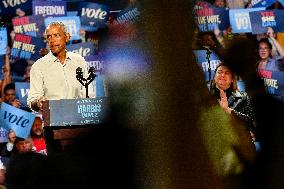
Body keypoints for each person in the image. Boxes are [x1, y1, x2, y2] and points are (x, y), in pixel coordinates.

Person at [27, 22, 95, 112]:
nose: (52, 40)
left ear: (67, 37)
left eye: (56, 35)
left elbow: (89, 93)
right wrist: (38, 102)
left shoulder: (79, 61)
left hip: (80, 119)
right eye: (49, 37)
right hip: (54, 121)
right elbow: (32, 100)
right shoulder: (38, 66)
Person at [210, 64, 255, 131]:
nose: (222, 75)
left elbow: (251, 121)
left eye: (227, 73)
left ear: (232, 79)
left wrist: (228, 111)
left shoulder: (243, 97)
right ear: (214, 77)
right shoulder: (205, 96)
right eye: (219, 72)